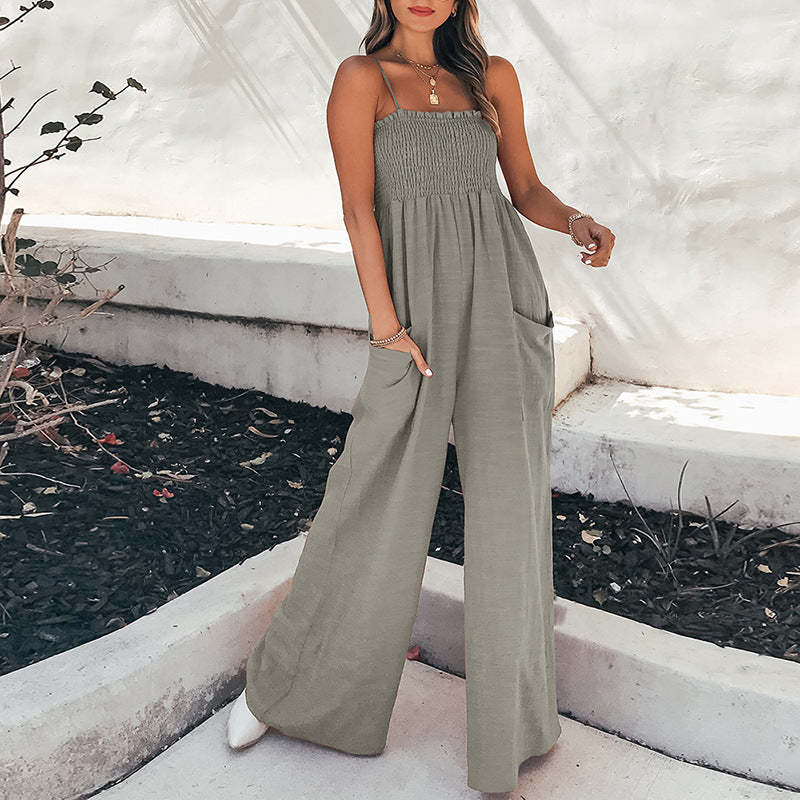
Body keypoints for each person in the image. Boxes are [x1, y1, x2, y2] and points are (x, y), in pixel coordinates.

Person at [226, 0, 615, 793]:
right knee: (373, 493)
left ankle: (512, 730)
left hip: (502, 300)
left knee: (510, 512)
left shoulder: (493, 77)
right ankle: (288, 689)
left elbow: (524, 188)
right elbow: (358, 209)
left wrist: (576, 220)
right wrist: (387, 328)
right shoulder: (361, 78)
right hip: (412, 314)